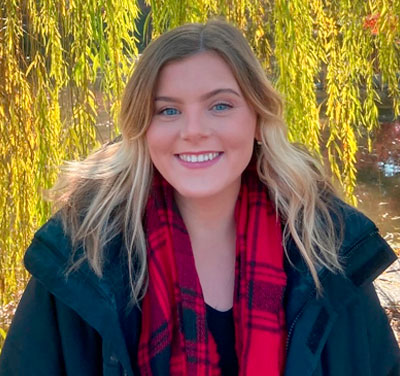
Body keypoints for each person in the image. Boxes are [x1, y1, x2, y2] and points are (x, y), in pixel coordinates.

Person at [0, 19, 399, 376]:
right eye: (168, 111)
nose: (193, 130)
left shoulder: (327, 251)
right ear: (142, 129)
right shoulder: (81, 258)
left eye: (220, 105)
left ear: (258, 119)